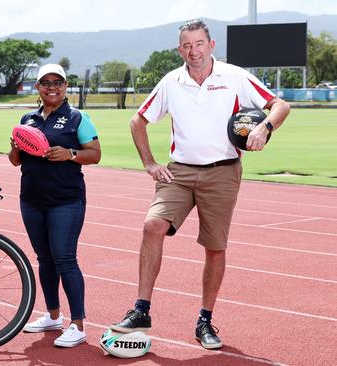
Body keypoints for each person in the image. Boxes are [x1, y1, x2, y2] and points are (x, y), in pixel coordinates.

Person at [110, 19, 290, 350]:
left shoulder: (234, 76)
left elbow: (280, 105)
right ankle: (141, 310)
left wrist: (265, 128)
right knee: (152, 225)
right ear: (180, 49)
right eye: (187, 46)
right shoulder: (171, 81)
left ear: (211, 45)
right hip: (178, 172)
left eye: (199, 44)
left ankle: (205, 320)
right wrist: (149, 164)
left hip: (222, 172)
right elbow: (138, 121)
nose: (193, 51)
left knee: (215, 247)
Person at [9, 64, 101, 348]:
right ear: (38, 87)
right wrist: (15, 145)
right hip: (32, 200)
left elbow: (95, 154)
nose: (51, 87)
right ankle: (52, 316)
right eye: (45, 83)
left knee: (65, 258)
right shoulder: (28, 118)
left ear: (65, 86)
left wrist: (70, 153)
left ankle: (78, 324)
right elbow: (16, 160)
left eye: (57, 82)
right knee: (45, 260)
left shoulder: (77, 118)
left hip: (66, 201)